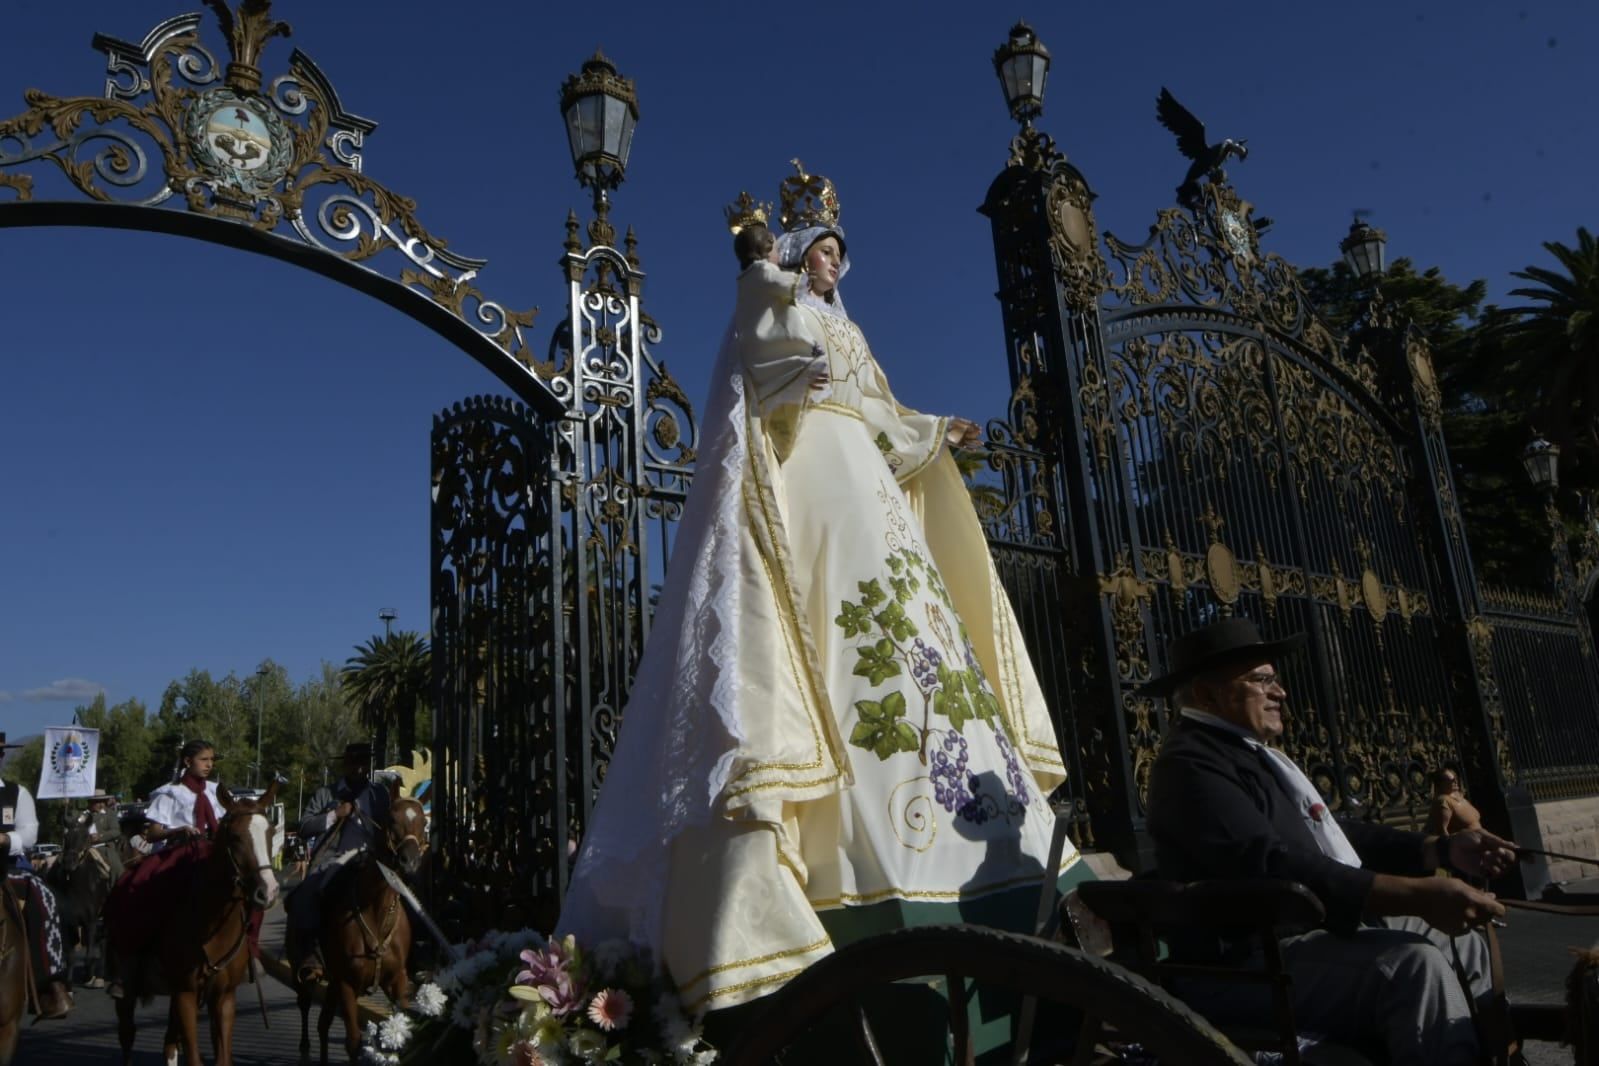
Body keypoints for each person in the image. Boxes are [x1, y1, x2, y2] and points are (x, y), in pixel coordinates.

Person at [558, 165, 1085, 1021]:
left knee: (919, 639)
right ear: (801, 258)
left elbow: (877, 410)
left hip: (866, 488)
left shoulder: (853, 334)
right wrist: (759, 264)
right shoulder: (785, 304)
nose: (833, 265)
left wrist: (931, 430)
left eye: (839, 254)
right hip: (808, 478)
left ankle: (995, 854)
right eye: (822, 252)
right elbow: (759, 346)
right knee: (830, 635)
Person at [1142, 616, 1516, 1066]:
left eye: (1275, 680)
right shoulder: (1191, 765)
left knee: (1465, 942)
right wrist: (1414, 894)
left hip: (1308, 938)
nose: (1280, 693)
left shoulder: (1252, 755)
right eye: (1262, 681)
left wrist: (1437, 851)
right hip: (1246, 964)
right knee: (1412, 966)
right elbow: (1273, 862)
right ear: (1206, 694)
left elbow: (1333, 834)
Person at [104, 739, 231, 997]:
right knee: (141, 888)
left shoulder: (216, 792)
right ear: (187, 762)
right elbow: (152, 833)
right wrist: (178, 831)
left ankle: (246, 952)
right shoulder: (169, 793)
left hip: (211, 851)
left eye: (211, 760)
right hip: (177, 851)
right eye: (204, 759)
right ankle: (133, 959)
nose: (209, 765)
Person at [286, 740, 391, 983]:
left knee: (403, 891)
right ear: (345, 764)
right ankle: (311, 952)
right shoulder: (326, 793)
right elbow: (304, 827)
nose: (359, 767)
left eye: (363, 762)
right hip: (332, 858)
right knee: (307, 893)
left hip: (371, 857)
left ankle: (415, 952)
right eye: (354, 762)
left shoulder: (379, 795)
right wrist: (335, 814)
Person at [0, 732, 73, 1018]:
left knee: (44, 895)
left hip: (6, 867)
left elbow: (29, 833)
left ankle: (51, 983)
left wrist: (6, 841)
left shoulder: (17, 793)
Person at [1427, 767, 1485, 837]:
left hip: (1481, 841)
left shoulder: (1459, 797)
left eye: (1455, 778)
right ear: (1441, 784)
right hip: (1466, 844)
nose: (1455, 782)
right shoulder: (1443, 801)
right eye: (1452, 780)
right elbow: (1442, 832)